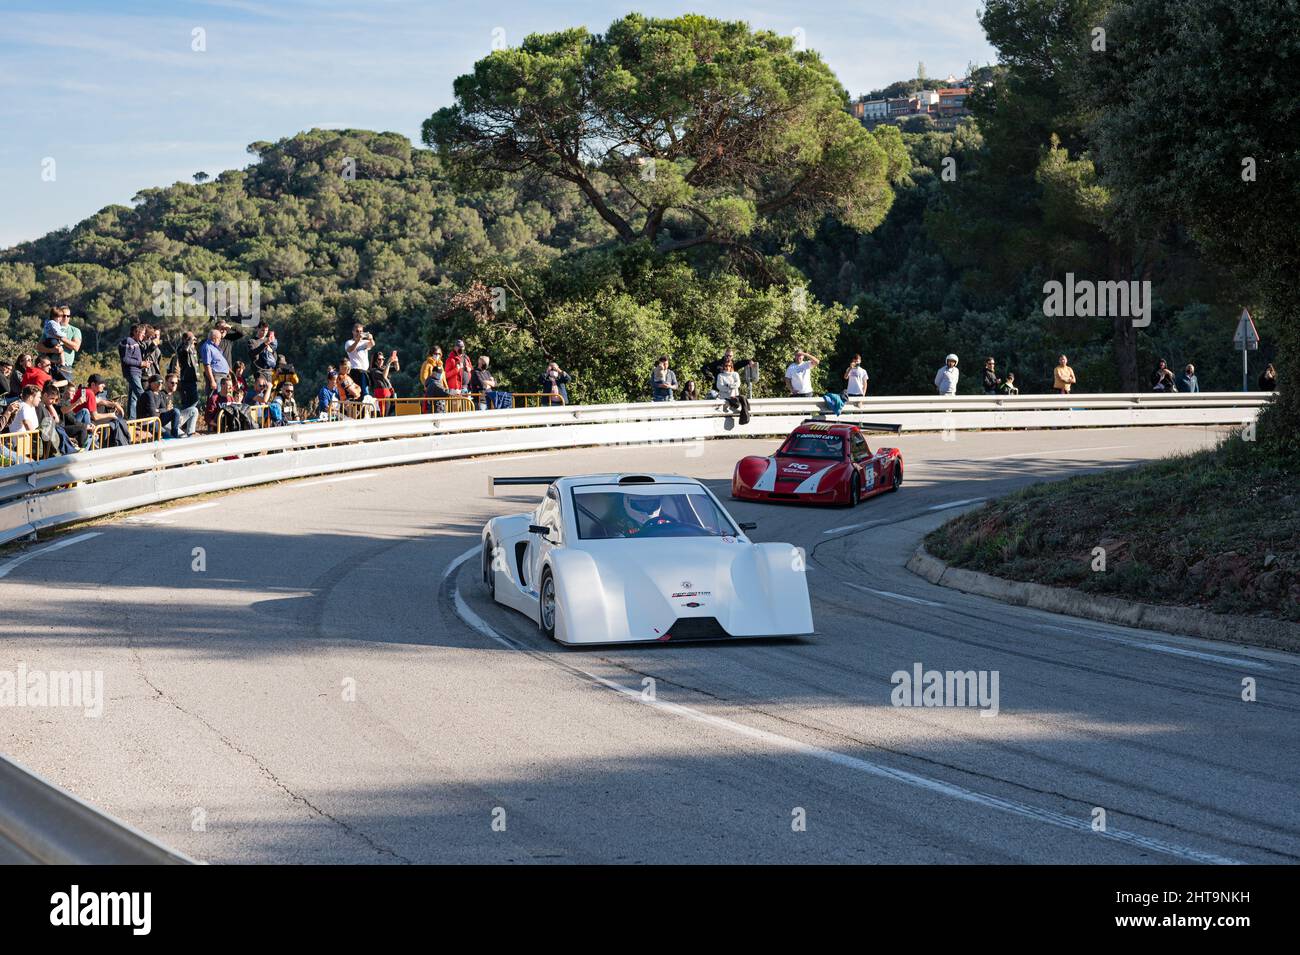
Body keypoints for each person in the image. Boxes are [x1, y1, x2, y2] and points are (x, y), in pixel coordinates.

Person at [37, 383, 78, 456]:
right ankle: (70, 449)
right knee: (58, 428)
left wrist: (50, 405)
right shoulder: (40, 406)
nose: (53, 401)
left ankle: (70, 448)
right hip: (45, 434)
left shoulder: (46, 405)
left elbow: (57, 420)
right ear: (45, 395)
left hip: (50, 432)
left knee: (59, 428)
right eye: (52, 398)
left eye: (55, 399)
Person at [118, 323, 146, 418]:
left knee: (133, 398)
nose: (144, 335)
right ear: (135, 332)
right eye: (142, 333)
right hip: (132, 373)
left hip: (136, 373)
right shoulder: (128, 341)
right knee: (142, 396)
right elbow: (125, 359)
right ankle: (149, 415)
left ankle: (131, 420)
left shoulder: (136, 343)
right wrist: (140, 363)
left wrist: (143, 364)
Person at [161, 373, 198, 438]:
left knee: (194, 410)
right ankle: (186, 437)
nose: (174, 385)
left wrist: (178, 416)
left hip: (175, 420)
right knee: (183, 437)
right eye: (172, 382)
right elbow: (161, 413)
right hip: (166, 423)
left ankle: (191, 433)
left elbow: (173, 410)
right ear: (166, 383)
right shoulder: (161, 394)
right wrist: (176, 416)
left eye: (176, 383)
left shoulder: (171, 394)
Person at [716, 358, 751, 425]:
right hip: (725, 397)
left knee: (742, 398)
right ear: (723, 366)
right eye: (726, 366)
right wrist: (730, 388)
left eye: (729, 366)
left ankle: (745, 417)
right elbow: (720, 386)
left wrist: (729, 386)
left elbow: (738, 384)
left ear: (731, 366)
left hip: (735, 396)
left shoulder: (735, 374)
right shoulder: (720, 375)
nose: (727, 367)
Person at [344, 324, 375, 397]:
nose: (359, 333)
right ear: (353, 332)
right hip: (356, 370)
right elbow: (350, 350)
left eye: (361, 331)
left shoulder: (364, 342)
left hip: (365, 371)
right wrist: (357, 340)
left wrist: (371, 338)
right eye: (357, 331)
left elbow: (372, 344)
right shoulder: (349, 342)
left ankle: (364, 407)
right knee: (360, 393)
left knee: (365, 392)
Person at [199, 327, 230, 397]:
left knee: (222, 399)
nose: (220, 341)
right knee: (215, 398)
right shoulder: (207, 347)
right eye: (219, 339)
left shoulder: (214, 347)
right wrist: (212, 381)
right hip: (216, 376)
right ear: (214, 338)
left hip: (222, 376)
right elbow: (207, 365)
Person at [369, 350, 399, 415]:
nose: (381, 361)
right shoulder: (374, 370)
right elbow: (384, 376)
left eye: (383, 359)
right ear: (375, 360)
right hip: (381, 394)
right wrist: (388, 363)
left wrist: (396, 361)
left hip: (389, 392)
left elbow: (396, 369)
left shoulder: (384, 367)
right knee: (383, 414)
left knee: (389, 412)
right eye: (379, 359)